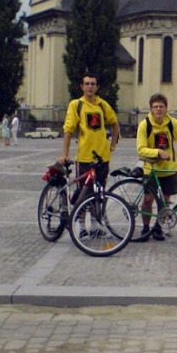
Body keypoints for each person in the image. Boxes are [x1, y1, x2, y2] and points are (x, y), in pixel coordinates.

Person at [136, 93, 177, 242]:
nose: (158, 109)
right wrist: (158, 152)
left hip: (169, 169)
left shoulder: (172, 123)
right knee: (148, 200)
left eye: (161, 106)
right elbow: (141, 149)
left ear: (166, 108)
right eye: (155, 107)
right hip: (151, 169)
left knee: (165, 201)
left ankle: (158, 228)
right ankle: (145, 228)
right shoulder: (144, 125)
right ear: (151, 109)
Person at [58, 73, 119, 235]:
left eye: (93, 84)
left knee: (99, 193)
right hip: (85, 157)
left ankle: (94, 226)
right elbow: (68, 130)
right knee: (84, 193)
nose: (90, 87)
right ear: (82, 86)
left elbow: (114, 123)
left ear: (97, 87)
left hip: (102, 158)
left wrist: (113, 144)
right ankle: (82, 227)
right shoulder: (76, 105)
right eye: (87, 84)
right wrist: (65, 154)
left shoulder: (102, 105)